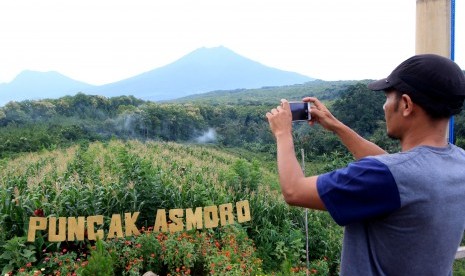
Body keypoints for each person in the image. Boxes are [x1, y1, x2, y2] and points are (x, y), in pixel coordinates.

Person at [266, 54, 465, 275]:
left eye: (388, 98)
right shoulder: (458, 163)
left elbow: (294, 191)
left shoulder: (387, 176)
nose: (384, 107)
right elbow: (397, 168)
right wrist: (337, 126)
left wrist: (283, 133)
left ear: (406, 104)